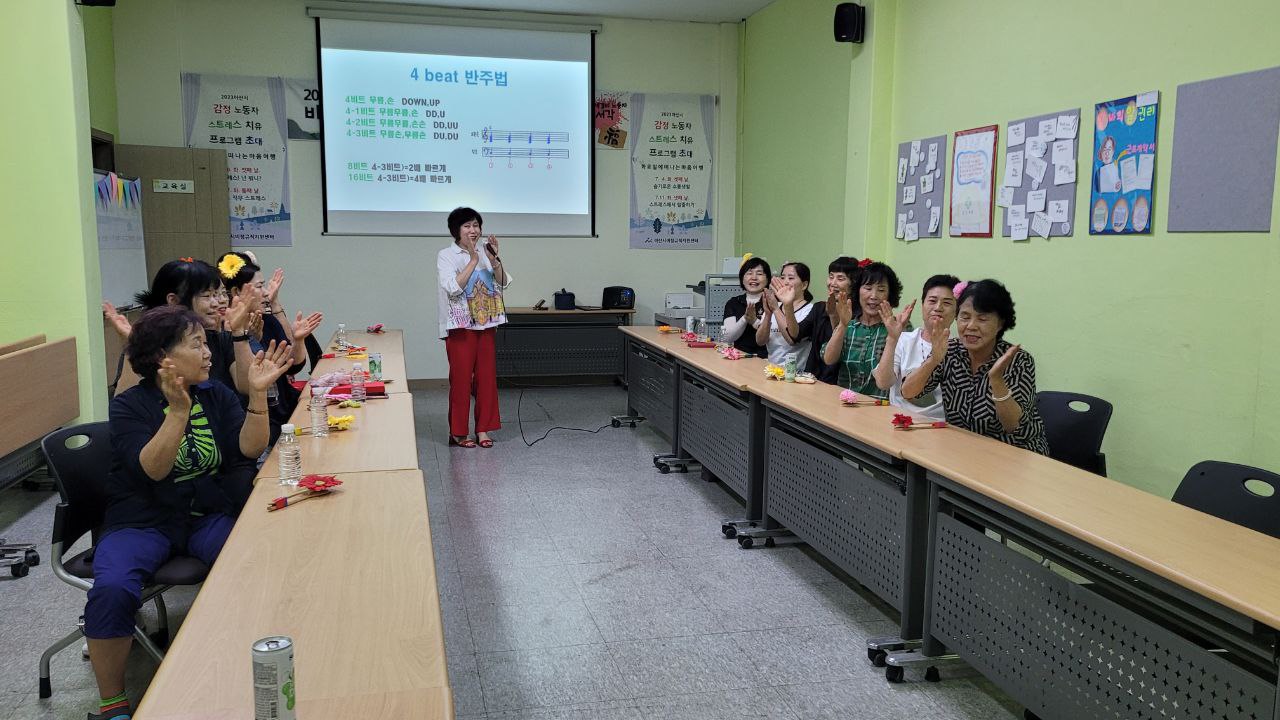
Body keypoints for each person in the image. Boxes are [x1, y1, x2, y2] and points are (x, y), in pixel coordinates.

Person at [85, 306, 293, 720]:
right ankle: (112, 705)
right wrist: (178, 412)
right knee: (112, 588)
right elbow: (152, 469)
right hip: (142, 519)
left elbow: (248, 450)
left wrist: (256, 396)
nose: (207, 352)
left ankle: (244, 669)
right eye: (195, 343)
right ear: (164, 357)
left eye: (205, 342)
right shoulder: (131, 406)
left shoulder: (214, 394)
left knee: (252, 566)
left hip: (204, 513)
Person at [901, 279, 1049, 454]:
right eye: (965, 317)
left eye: (982, 319)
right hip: (964, 450)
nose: (971, 326)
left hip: (1015, 453)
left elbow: (1013, 426)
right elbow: (908, 392)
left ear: (1000, 323)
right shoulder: (951, 350)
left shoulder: (1018, 361)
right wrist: (933, 359)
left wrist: (996, 381)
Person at [105, 258, 259, 400]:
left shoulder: (221, 339)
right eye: (207, 296)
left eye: (219, 294)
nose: (218, 302)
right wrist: (133, 345)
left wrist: (239, 333)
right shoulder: (150, 347)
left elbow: (249, 387)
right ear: (173, 300)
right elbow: (125, 403)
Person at [217, 252, 323, 444]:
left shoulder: (266, 320)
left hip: (285, 411)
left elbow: (294, 366)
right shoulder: (227, 334)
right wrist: (245, 336)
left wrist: (298, 341)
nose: (266, 292)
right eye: (259, 286)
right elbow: (249, 386)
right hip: (263, 422)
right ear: (235, 293)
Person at [437, 207, 511, 449]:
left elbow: (503, 283)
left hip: (486, 325)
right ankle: (458, 432)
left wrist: (494, 260)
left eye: (476, 225)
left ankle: (483, 429)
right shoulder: (446, 255)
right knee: (460, 380)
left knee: (486, 379)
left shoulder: (486, 251)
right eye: (467, 226)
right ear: (456, 230)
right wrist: (473, 260)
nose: (473, 230)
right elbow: (452, 287)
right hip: (460, 326)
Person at [873, 274, 960, 421]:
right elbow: (883, 383)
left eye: (947, 303)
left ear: (957, 311)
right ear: (923, 305)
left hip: (939, 427)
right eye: (932, 301)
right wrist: (893, 339)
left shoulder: (959, 349)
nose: (938, 308)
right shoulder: (904, 340)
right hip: (898, 420)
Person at [820, 260, 905, 397]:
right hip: (845, 402)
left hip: (881, 406)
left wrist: (893, 337)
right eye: (868, 288)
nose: (873, 296)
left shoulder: (898, 327)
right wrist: (842, 325)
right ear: (857, 290)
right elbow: (829, 359)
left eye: (881, 290)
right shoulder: (850, 325)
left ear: (890, 295)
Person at [805, 256, 858, 384]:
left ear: (853, 284)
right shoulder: (820, 308)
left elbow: (838, 354)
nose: (833, 283)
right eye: (831, 276)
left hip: (839, 383)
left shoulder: (857, 315)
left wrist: (834, 316)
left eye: (840, 278)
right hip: (812, 377)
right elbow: (794, 337)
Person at [755, 261, 816, 368]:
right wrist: (768, 314)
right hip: (771, 370)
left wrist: (776, 309)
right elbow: (760, 341)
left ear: (804, 285)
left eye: (791, 278)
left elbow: (792, 340)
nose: (785, 282)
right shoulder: (774, 305)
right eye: (782, 278)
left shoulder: (811, 310)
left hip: (796, 374)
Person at [720, 257, 771, 358]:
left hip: (766, 359)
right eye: (749, 273)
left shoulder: (772, 303)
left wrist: (754, 321)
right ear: (742, 278)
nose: (754, 277)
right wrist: (745, 319)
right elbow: (728, 337)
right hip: (739, 357)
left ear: (768, 279)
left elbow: (773, 337)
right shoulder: (734, 303)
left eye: (759, 274)